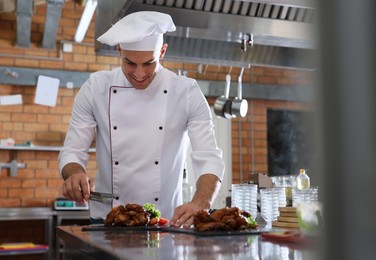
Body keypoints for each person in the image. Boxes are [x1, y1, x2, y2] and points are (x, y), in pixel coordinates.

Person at [58, 11, 225, 228]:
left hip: (163, 220)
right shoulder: (96, 88)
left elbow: (209, 156)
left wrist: (201, 201)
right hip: (107, 218)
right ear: (119, 50)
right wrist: (75, 173)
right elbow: (72, 151)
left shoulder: (186, 92)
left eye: (148, 63)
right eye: (130, 63)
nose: (139, 73)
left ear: (162, 52)